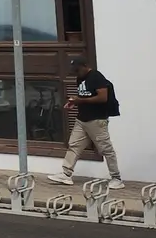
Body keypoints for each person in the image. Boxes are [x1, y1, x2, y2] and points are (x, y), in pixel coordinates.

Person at [48, 56, 123, 189]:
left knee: (106, 149)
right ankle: (66, 174)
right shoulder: (80, 78)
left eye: (77, 70)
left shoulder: (96, 77)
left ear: (84, 66)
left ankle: (116, 178)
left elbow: (102, 97)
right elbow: (84, 96)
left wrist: (80, 101)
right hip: (82, 119)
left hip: (97, 120)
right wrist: (74, 102)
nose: (76, 73)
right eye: (74, 71)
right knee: (74, 145)